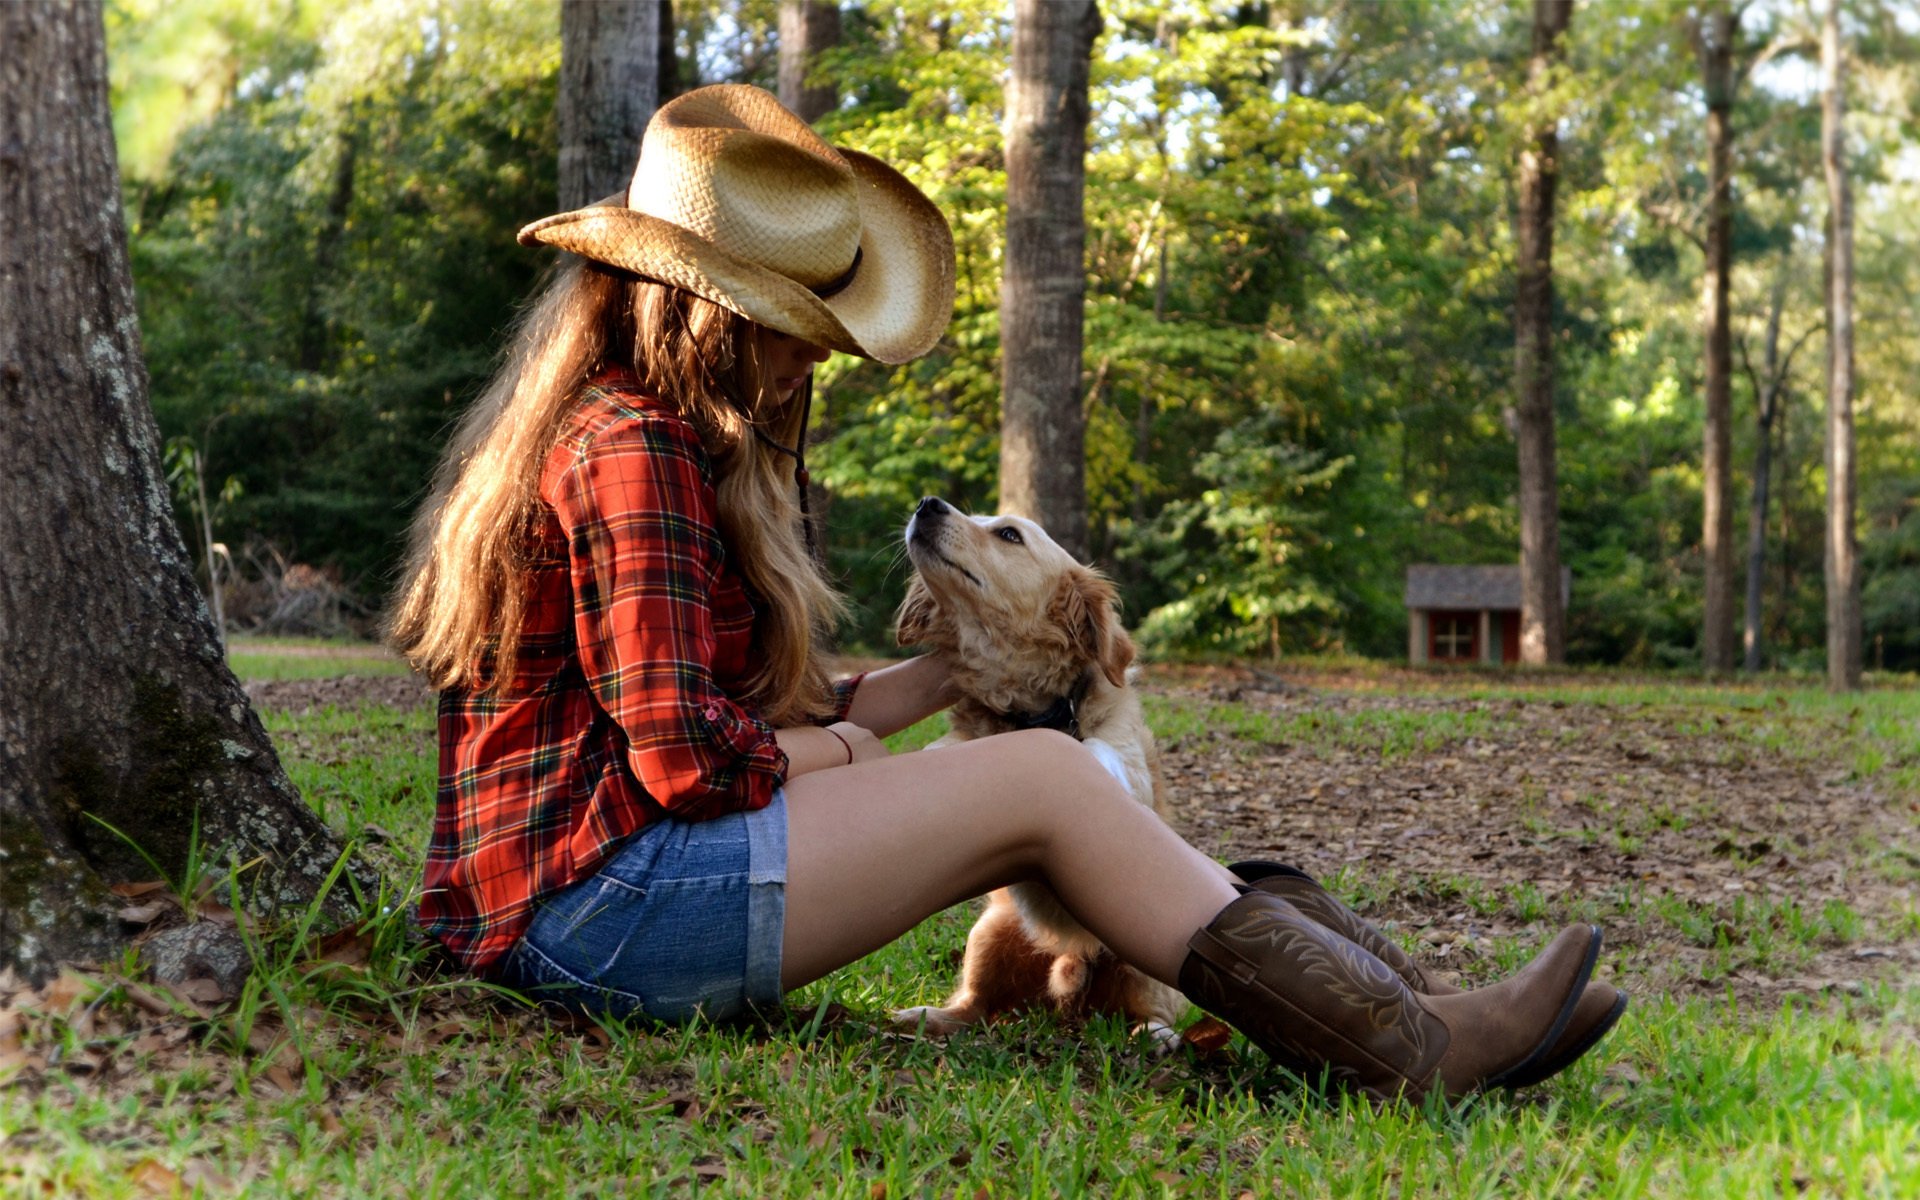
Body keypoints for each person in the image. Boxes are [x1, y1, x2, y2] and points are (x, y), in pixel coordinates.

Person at [389, 84, 1623, 1105]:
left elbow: (724, 718)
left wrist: (937, 678)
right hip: (592, 916)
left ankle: (1413, 1009)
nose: (815, 355)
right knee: (1045, 777)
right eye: (795, 324)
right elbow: (687, 761)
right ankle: (1414, 1048)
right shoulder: (635, 452)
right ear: (710, 313)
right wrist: (850, 755)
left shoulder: (624, 433)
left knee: (1057, 780)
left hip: (582, 900)